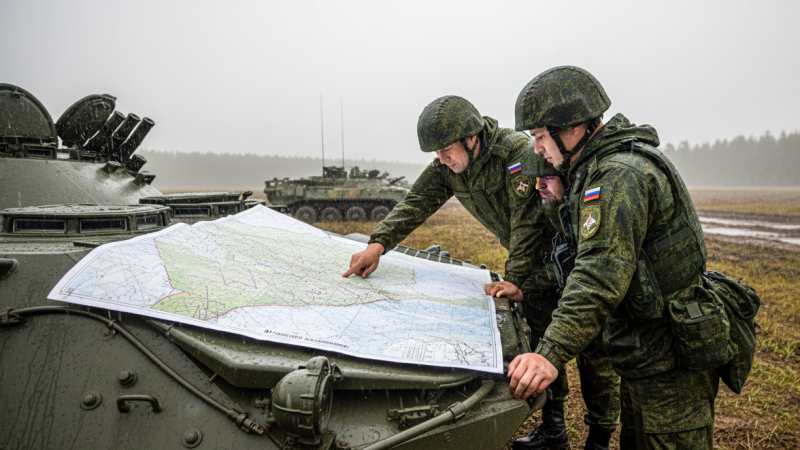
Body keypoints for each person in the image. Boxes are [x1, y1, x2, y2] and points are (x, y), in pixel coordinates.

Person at [509, 66, 715, 450]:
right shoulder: (596, 170)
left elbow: (600, 273)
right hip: (645, 348)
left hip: (668, 355)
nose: (537, 149)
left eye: (539, 136)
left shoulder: (618, 175)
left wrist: (549, 353)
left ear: (572, 128)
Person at [343, 95, 552, 302]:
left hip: (557, 257)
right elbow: (414, 204)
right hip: (532, 269)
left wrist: (514, 278)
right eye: (437, 152)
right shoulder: (449, 168)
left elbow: (527, 221)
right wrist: (376, 246)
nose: (442, 159)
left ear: (472, 138)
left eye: (447, 150)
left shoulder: (513, 152)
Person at [497, 149, 620, 450]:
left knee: (598, 371)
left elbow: (588, 268)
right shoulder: (553, 205)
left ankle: (600, 442)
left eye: (548, 178)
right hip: (565, 295)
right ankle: (554, 431)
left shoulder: (590, 205)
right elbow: (558, 262)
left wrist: (527, 285)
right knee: (548, 352)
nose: (539, 186)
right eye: (536, 178)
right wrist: (523, 286)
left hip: (595, 300)